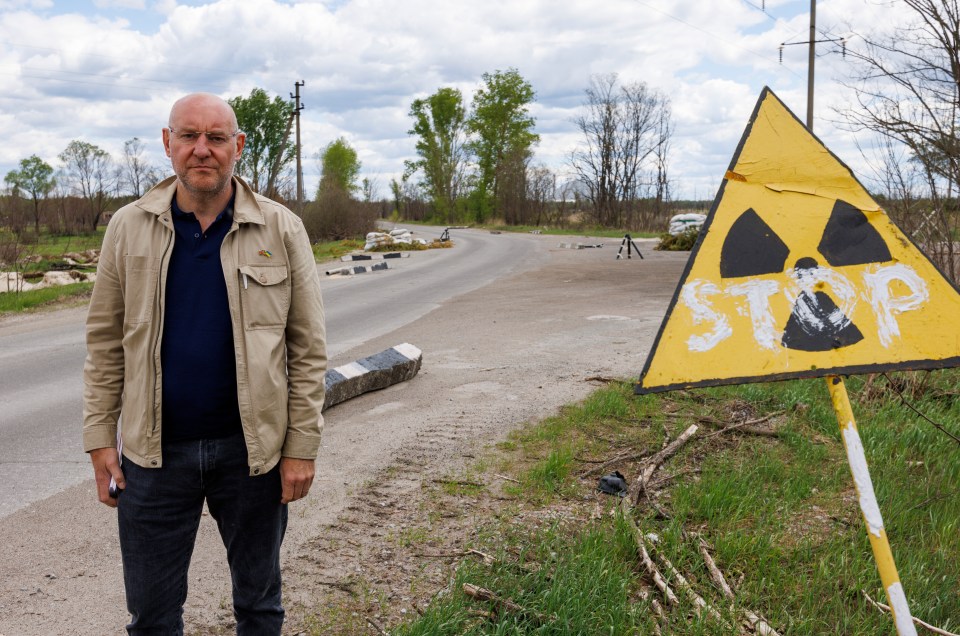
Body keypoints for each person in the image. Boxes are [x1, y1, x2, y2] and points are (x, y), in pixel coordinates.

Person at [82, 92, 327, 635]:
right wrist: (101, 439)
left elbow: (307, 351)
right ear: (167, 144)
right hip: (153, 458)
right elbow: (103, 343)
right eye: (188, 136)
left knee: (259, 608)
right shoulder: (128, 227)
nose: (202, 150)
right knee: (151, 617)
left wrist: (301, 448)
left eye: (216, 138)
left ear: (237, 146)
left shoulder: (281, 230)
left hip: (253, 458)